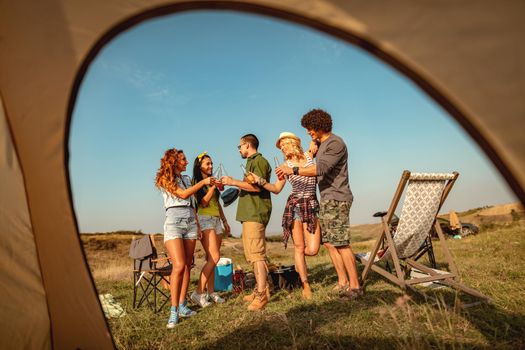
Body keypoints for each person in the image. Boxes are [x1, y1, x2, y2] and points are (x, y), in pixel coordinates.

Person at [276, 109, 363, 298]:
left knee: (341, 243)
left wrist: (295, 170)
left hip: (337, 198)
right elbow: (312, 150)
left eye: (310, 129)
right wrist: (313, 144)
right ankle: (343, 282)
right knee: (331, 243)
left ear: (318, 126)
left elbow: (321, 168)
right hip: (327, 198)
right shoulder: (322, 143)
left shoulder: (335, 143)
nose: (308, 132)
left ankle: (355, 287)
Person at [249, 132, 320, 299]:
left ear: (293, 143)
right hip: (295, 206)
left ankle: (298, 262)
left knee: (313, 249)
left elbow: (316, 140)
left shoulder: (309, 156)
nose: (283, 149)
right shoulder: (284, 165)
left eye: (284, 145)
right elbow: (276, 188)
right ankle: (305, 285)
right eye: (281, 148)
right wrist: (259, 181)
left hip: (311, 205)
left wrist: (314, 138)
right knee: (299, 247)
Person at [154, 148, 215, 329]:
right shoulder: (165, 178)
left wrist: (196, 224)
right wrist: (203, 181)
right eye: (183, 159)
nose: (187, 162)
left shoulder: (187, 179)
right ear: (174, 161)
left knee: (188, 265)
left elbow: (192, 204)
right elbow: (182, 195)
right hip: (173, 220)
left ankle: (182, 305)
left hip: (190, 220)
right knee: (179, 265)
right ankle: (173, 311)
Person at [220, 134, 272, 311]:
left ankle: (262, 295)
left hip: (254, 213)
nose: (239, 149)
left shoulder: (258, 161)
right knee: (252, 255)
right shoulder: (252, 162)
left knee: (256, 254)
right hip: (250, 213)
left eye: (240, 146)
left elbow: (256, 187)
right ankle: (260, 289)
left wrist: (232, 181)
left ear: (247, 145)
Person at [190, 152, 231, 308]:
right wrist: (213, 186)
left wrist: (224, 220)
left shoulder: (211, 182)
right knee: (214, 257)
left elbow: (216, 203)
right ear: (199, 165)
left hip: (216, 220)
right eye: (208, 164)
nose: (211, 166)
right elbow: (204, 202)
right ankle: (198, 293)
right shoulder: (197, 182)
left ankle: (211, 292)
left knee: (211, 260)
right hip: (204, 219)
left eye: (212, 163)